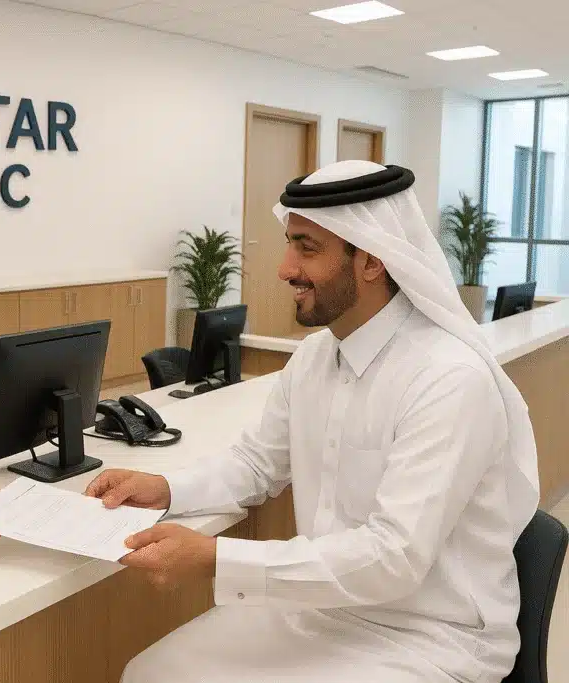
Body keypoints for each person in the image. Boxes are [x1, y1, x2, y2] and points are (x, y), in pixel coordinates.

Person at [86, 161, 540, 683]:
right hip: (321, 609)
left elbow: (393, 557)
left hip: (432, 637)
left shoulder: (448, 377)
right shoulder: (314, 358)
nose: (284, 268)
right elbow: (257, 464)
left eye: (308, 247)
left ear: (370, 261)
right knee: (150, 672)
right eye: (289, 243)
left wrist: (216, 557)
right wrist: (165, 487)